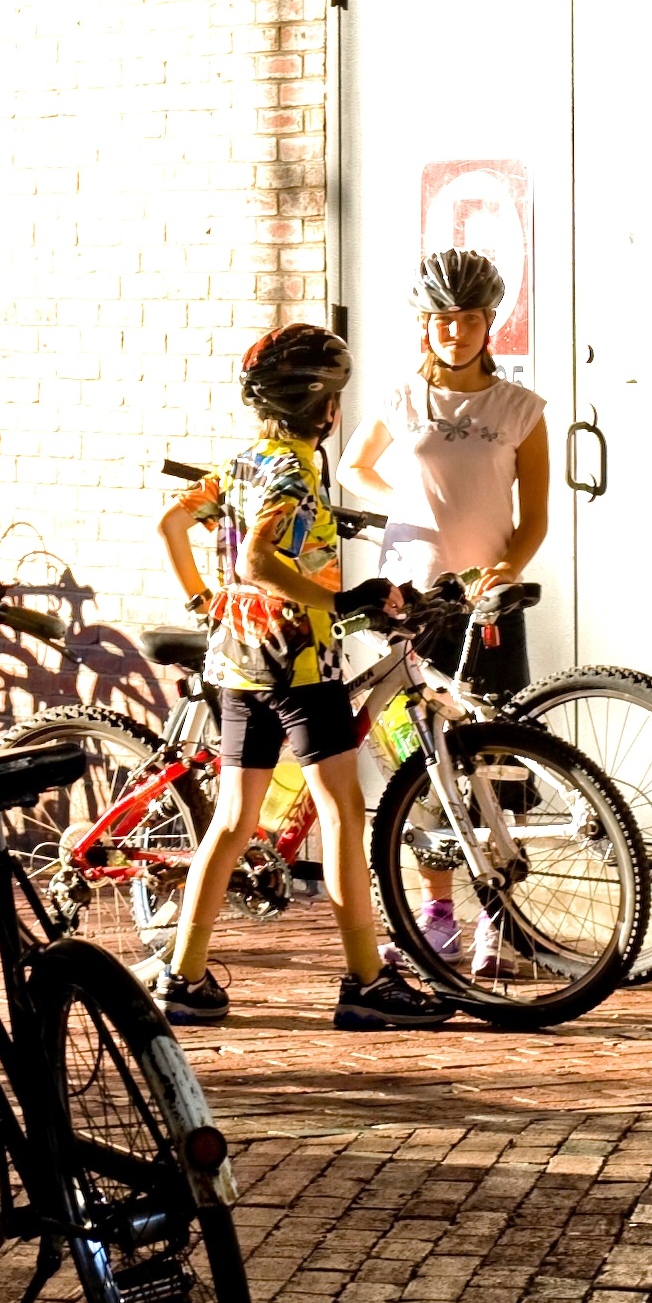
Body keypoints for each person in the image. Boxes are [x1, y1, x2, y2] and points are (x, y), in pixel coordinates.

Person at [147, 323, 455, 1032]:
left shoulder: (245, 461)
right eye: (335, 396)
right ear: (319, 405)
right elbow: (259, 560)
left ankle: (185, 979)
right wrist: (340, 600)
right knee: (346, 813)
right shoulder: (289, 470)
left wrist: (203, 602)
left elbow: (171, 521)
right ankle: (366, 983)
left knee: (230, 820)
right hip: (297, 660)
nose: (338, 410)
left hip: (235, 660)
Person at [339, 246, 551, 969]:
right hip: (411, 599)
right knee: (420, 766)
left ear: (490, 324)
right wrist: (398, 502)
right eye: (441, 319)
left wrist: (505, 569)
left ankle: (498, 916)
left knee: (494, 762)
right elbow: (352, 466)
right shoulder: (404, 398)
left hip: (485, 603)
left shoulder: (520, 409)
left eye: (468, 319)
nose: (454, 331)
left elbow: (535, 518)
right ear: (424, 326)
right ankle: (435, 915)